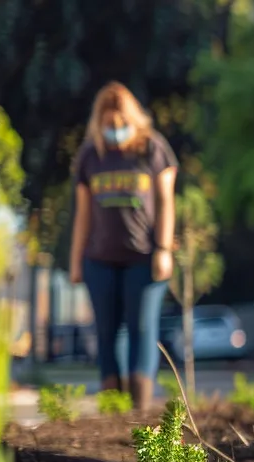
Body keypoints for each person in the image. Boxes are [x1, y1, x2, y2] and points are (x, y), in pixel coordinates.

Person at [68, 82, 178, 411]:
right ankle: (113, 413)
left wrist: (163, 249)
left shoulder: (152, 149)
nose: (114, 129)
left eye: (119, 123)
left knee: (142, 329)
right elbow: (83, 214)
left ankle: (139, 411)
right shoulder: (91, 154)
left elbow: (165, 201)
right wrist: (75, 261)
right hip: (99, 260)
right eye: (108, 124)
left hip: (144, 258)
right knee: (105, 333)